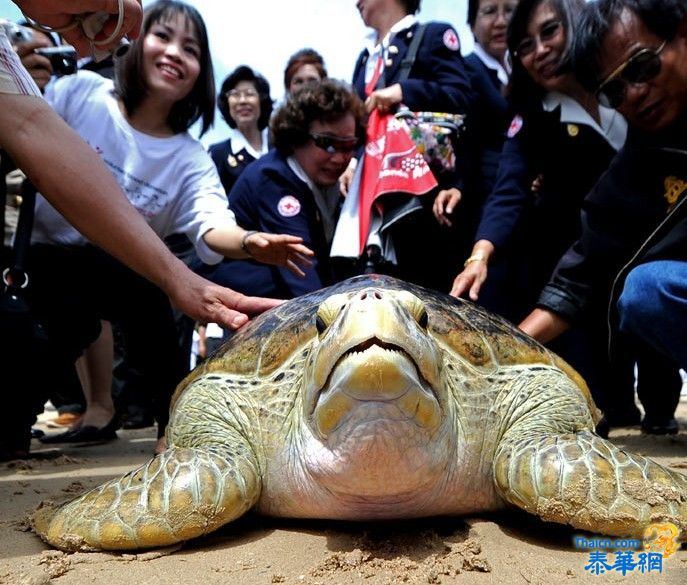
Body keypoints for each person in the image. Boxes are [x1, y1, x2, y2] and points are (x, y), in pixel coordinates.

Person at [26, 0, 312, 453]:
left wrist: (250, 241)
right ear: (133, 42)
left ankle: (173, 427)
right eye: (162, 36)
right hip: (41, 269)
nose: (175, 53)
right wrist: (27, 80)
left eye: (192, 48)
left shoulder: (189, 157)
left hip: (124, 275)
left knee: (158, 289)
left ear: (202, 72)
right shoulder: (78, 92)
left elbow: (212, 224)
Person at [447, 0, 681, 429]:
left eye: (550, 31)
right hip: (602, 246)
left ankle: (660, 408)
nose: (634, 93)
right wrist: (480, 258)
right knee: (636, 296)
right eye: (525, 46)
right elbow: (509, 192)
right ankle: (615, 403)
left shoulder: (642, 96)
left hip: (662, 236)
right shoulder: (538, 119)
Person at [519, 0, 687, 435]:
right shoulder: (638, 162)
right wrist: (503, 353)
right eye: (614, 91)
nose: (633, 94)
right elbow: (580, 272)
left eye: (642, 66)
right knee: (646, 292)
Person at [339, 0, 473, 290]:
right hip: (373, 192)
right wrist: (353, 162)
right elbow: (363, 124)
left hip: (422, 197)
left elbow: (461, 96)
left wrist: (403, 91)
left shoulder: (432, 35)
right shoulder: (365, 57)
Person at [199, 79, 366, 299]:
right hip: (249, 306)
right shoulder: (273, 178)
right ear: (297, 135)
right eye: (328, 143)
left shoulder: (329, 184)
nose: (339, 158)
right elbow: (302, 275)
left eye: (348, 146)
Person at [209, 65, 273, 196]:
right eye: (235, 95)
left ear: (262, 100)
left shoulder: (280, 147)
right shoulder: (217, 154)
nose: (243, 101)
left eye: (250, 94)